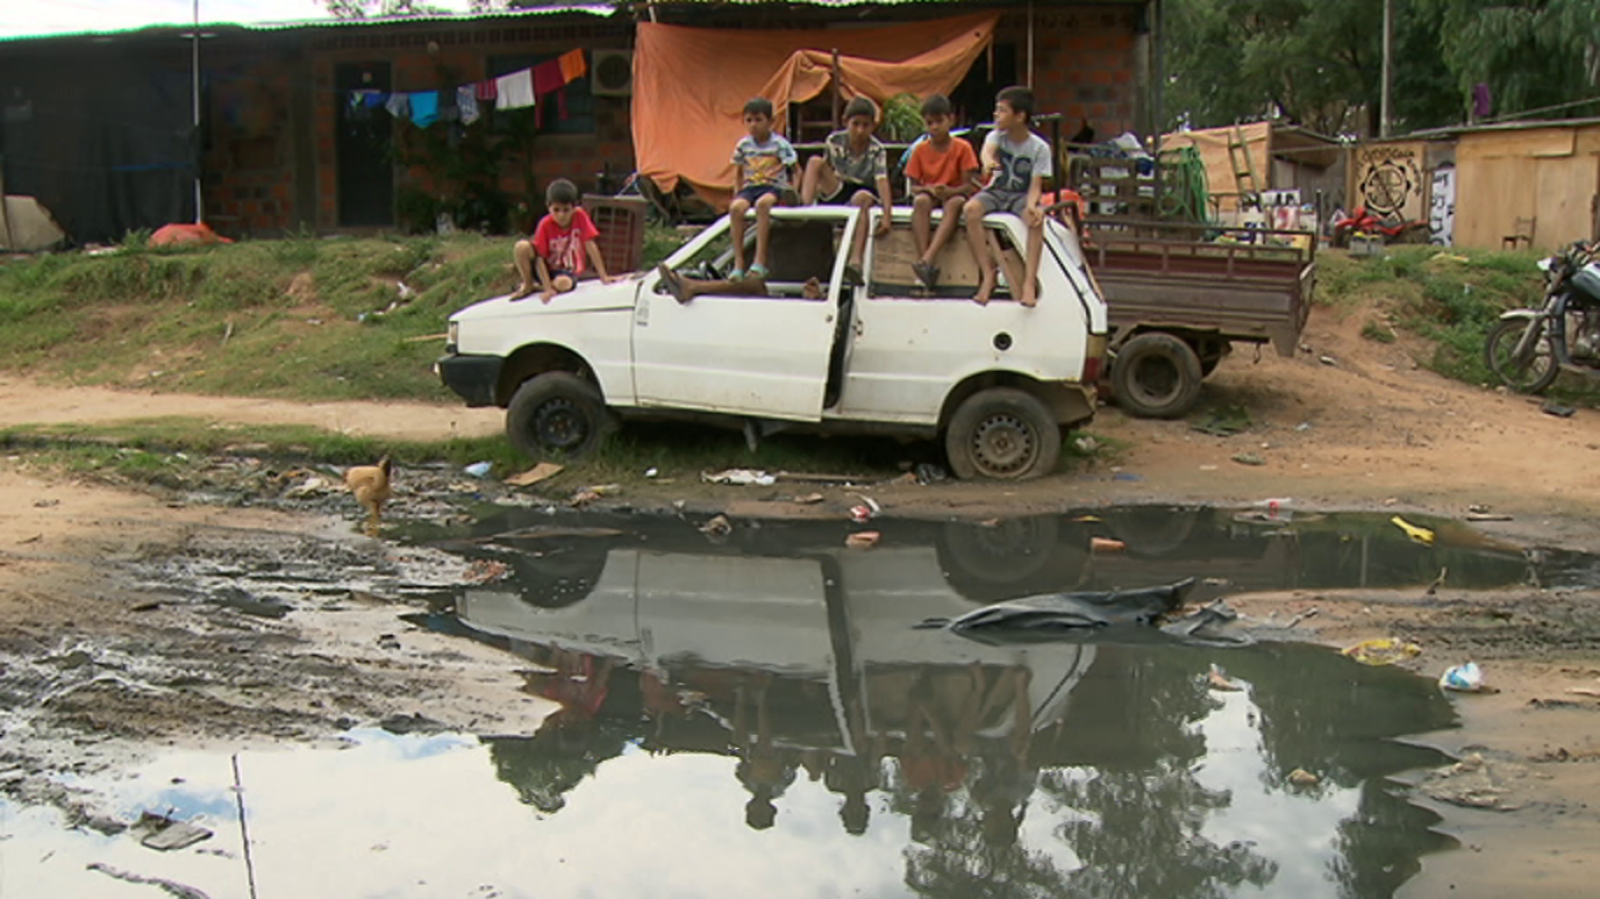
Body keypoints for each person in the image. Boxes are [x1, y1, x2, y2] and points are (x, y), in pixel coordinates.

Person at [963, 85, 1052, 306]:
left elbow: (1035, 185)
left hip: (1020, 195)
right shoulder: (996, 136)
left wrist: (1032, 206)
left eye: (1002, 110)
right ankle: (988, 273)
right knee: (970, 210)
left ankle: (1029, 282)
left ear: (1020, 116)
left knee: (1034, 222)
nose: (996, 115)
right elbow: (987, 151)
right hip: (997, 191)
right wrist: (988, 162)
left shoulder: (1039, 148)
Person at [800, 96, 892, 285]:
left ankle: (856, 260)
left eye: (865, 125)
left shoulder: (877, 149)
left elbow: (882, 181)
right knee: (815, 162)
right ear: (845, 122)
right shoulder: (834, 140)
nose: (860, 130)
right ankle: (802, 208)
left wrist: (887, 214)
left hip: (862, 190)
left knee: (863, 198)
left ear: (872, 126)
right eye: (855, 124)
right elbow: (827, 169)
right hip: (839, 186)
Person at [904, 93, 980, 290]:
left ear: (950, 120)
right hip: (930, 194)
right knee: (921, 201)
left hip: (954, 195)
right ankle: (926, 263)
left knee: (955, 204)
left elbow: (969, 185)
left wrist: (949, 191)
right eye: (930, 123)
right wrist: (929, 189)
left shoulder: (963, 148)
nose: (934, 127)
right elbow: (913, 186)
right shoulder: (920, 150)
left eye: (939, 121)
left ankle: (928, 257)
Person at [512, 178, 616, 302]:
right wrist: (547, 289)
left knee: (564, 283)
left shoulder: (580, 216)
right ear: (548, 207)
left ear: (574, 207)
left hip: (566, 271)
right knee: (521, 247)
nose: (561, 215)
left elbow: (590, 245)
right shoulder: (545, 224)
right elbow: (540, 258)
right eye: (556, 210)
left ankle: (542, 287)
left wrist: (603, 276)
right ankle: (528, 285)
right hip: (544, 269)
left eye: (566, 210)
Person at [729, 97, 798, 280]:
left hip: (772, 187)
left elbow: (795, 169)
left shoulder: (779, 144)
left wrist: (794, 191)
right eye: (749, 120)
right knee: (736, 208)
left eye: (758, 120)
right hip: (750, 187)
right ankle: (738, 263)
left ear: (771, 121)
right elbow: (739, 172)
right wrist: (737, 192)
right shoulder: (743, 145)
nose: (753, 125)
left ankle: (759, 260)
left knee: (763, 205)